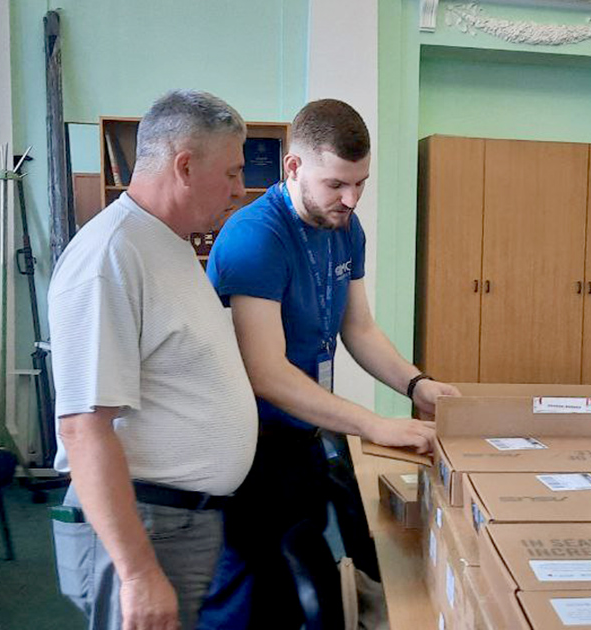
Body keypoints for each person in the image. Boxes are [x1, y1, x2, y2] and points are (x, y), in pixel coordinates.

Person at [198, 98, 460, 627]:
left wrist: (415, 385)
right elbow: (266, 373)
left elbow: (358, 328)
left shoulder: (346, 228)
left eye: (360, 183)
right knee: (252, 595)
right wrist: (373, 424)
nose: (351, 198)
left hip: (306, 437)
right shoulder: (256, 237)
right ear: (293, 167)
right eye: (337, 184)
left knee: (304, 586)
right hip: (248, 447)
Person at [48, 89, 259, 630]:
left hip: (178, 521)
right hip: (144, 525)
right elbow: (81, 429)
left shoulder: (168, 242)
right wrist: (138, 572)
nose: (239, 191)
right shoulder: (111, 255)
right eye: (232, 173)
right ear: (185, 165)